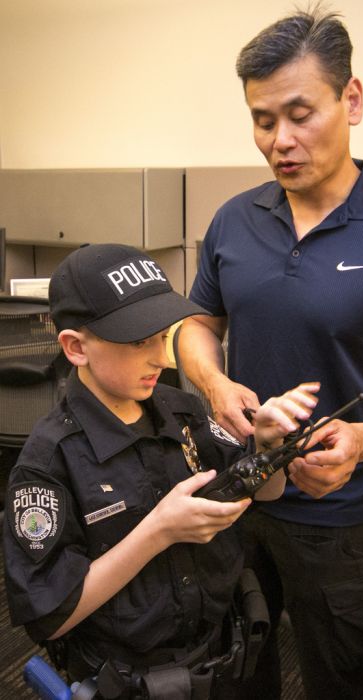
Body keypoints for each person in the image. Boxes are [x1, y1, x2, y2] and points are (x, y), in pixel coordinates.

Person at [177, 7, 363, 700]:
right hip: (236, 496)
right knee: (234, 671)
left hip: (339, 519)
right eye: (262, 120)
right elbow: (195, 324)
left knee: (339, 677)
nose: (279, 140)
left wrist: (361, 441)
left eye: (299, 114)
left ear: (351, 100)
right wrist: (214, 383)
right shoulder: (233, 220)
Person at [2, 243, 321, 700]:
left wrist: (270, 447)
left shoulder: (184, 410)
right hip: (130, 677)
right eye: (138, 342)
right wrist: (158, 532)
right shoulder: (49, 462)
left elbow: (266, 493)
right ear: (76, 347)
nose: (161, 358)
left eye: (163, 336)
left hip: (218, 654)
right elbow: (50, 615)